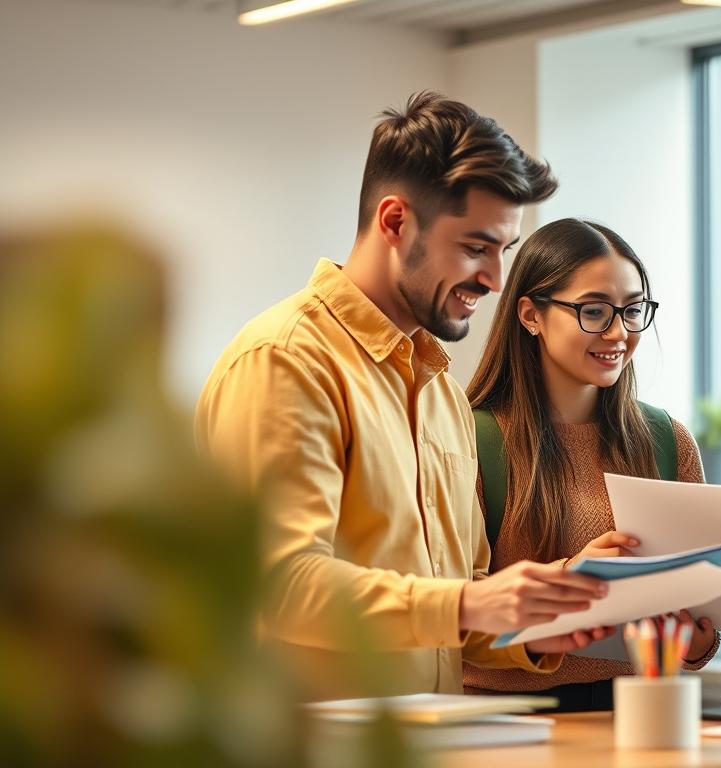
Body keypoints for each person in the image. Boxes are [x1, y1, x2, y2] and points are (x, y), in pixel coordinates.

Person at [195, 92, 611, 701]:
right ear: (395, 222)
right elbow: (279, 583)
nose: (495, 279)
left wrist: (539, 619)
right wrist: (471, 600)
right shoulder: (286, 360)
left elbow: (450, 606)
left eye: (504, 251)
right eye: (475, 247)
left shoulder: (439, 385)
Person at [462, 218, 718, 710]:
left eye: (633, 310)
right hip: (504, 721)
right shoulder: (470, 440)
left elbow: (697, 638)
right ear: (531, 315)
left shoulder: (667, 440)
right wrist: (571, 578)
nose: (619, 332)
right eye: (595, 311)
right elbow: (449, 606)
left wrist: (698, 637)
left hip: (638, 714)